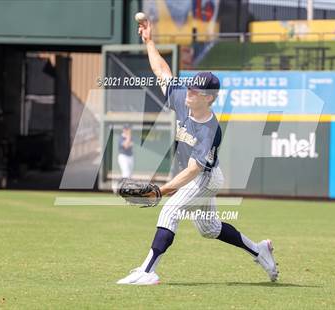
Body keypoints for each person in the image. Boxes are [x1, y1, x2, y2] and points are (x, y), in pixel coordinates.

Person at [116, 19, 278, 285]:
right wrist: (149, 41)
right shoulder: (183, 98)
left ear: (209, 98)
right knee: (210, 229)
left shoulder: (210, 129)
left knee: (170, 211)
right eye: (190, 86)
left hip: (203, 177)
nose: (190, 91)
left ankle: (147, 271)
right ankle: (259, 250)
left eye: (197, 90)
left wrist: (161, 190)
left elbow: (194, 170)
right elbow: (162, 72)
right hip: (197, 174)